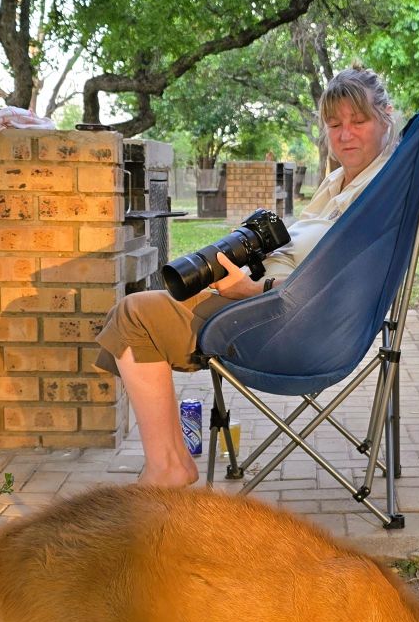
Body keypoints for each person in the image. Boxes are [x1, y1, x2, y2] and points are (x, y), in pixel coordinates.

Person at [94, 67, 397, 487]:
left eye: (358, 121)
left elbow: (344, 286)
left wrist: (255, 288)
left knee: (133, 318)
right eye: (334, 124)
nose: (345, 134)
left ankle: (168, 467)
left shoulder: (378, 194)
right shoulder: (339, 180)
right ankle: (169, 462)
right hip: (269, 306)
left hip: (287, 327)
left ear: (386, 116)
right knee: (135, 314)